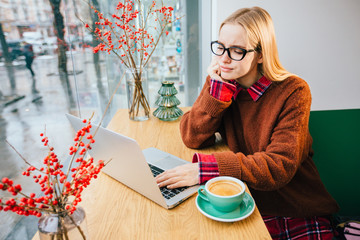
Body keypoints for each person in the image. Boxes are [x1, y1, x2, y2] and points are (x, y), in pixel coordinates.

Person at [155, 6, 339, 240]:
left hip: (293, 208)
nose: (223, 58)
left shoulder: (294, 91)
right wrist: (215, 92)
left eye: (237, 50)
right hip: (242, 199)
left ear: (261, 54)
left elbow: (278, 166)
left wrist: (206, 169)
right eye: (220, 47)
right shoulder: (223, 80)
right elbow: (192, 137)